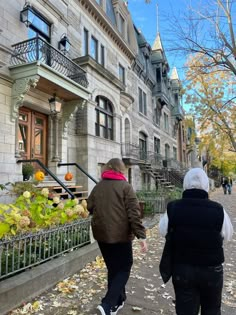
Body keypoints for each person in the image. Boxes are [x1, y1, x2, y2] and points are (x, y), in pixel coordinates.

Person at [159, 167, 233, 315]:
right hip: (211, 270)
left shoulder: (173, 207)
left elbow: (163, 231)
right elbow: (228, 234)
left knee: (185, 310)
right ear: (206, 185)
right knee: (212, 309)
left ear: (185, 184)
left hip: (183, 268)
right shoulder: (218, 209)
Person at [87, 158, 147, 315]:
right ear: (121, 171)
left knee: (113, 268)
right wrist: (141, 236)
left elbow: (89, 206)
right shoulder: (126, 187)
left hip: (102, 236)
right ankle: (107, 304)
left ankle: (118, 301)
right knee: (124, 267)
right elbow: (134, 214)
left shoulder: (98, 187)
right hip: (120, 237)